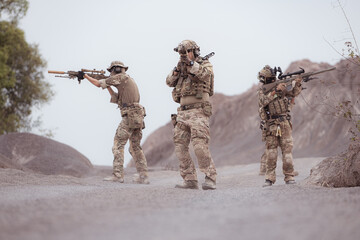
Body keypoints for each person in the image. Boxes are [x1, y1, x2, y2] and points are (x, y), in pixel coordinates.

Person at [83, 61, 149, 184]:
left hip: (130, 115)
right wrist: (107, 85)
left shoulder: (121, 77)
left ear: (117, 70)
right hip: (137, 115)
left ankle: (118, 175)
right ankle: (143, 175)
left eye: (111, 71)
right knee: (135, 147)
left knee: (118, 144)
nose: (111, 73)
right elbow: (116, 97)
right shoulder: (126, 80)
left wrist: (85, 76)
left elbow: (98, 84)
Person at [166, 40, 217, 190]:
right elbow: (169, 81)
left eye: (187, 51)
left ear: (194, 51)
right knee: (180, 147)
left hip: (199, 111)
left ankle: (210, 177)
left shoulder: (204, 64)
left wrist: (191, 64)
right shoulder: (180, 68)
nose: (184, 55)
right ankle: (189, 179)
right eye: (182, 52)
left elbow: (206, 75)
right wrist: (178, 68)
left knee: (199, 146)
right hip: (182, 112)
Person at [257, 65, 302, 187]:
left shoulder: (281, 85)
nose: (261, 80)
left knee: (287, 152)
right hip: (271, 124)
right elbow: (263, 101)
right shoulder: (263, 90)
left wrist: (297, 84)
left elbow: (293, 94)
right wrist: (276, 91)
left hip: (284, 123)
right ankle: (269, 178)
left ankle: (289, 176)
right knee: (271, 153)